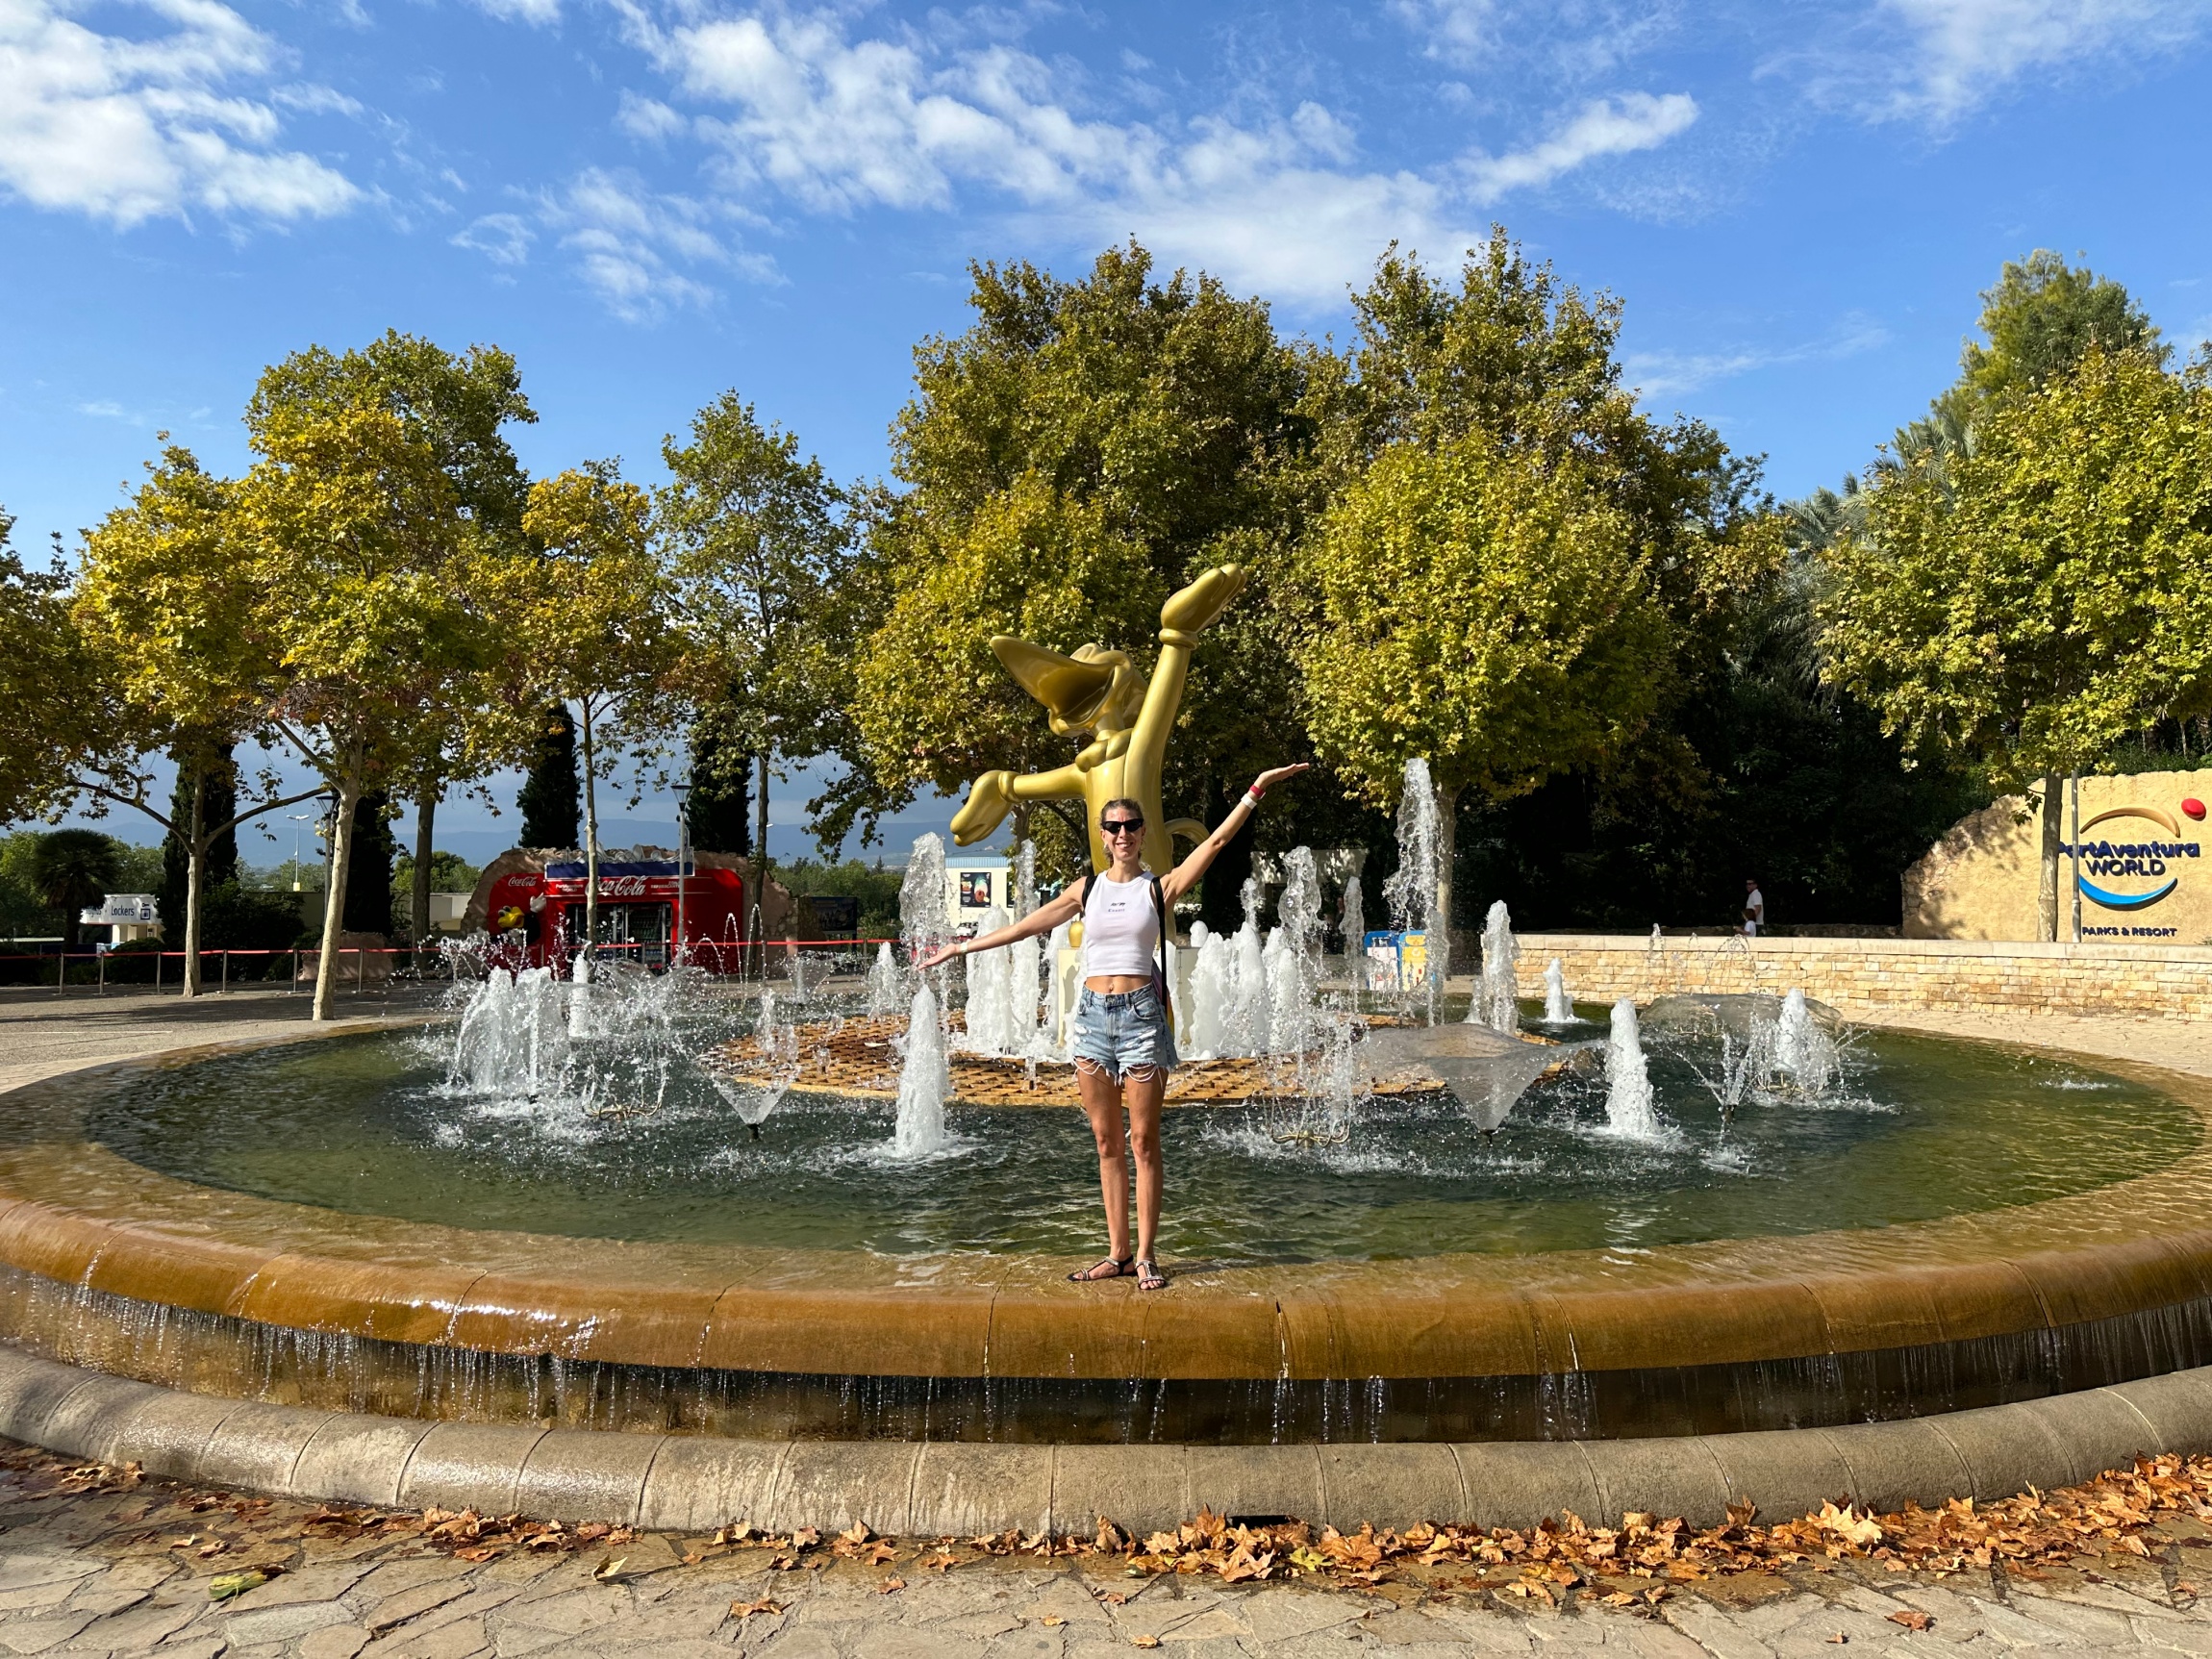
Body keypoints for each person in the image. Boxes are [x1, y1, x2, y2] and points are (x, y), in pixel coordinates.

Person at [916, 763, 1310, 1292]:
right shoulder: (1088, 888)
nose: (1123, 834)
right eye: (1113, 827)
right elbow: (1025, 926)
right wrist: (962, 946)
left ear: (1144, 833)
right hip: (1093, 1021)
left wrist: (1256, 788)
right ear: (1102, 837)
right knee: (1106, 1143)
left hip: (1143, 1018)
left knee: (1144, 1141)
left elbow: (1215, 843)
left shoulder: (1159, 888)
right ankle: (1118, 1253)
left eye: (1131, 825)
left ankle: (1146, 1255)